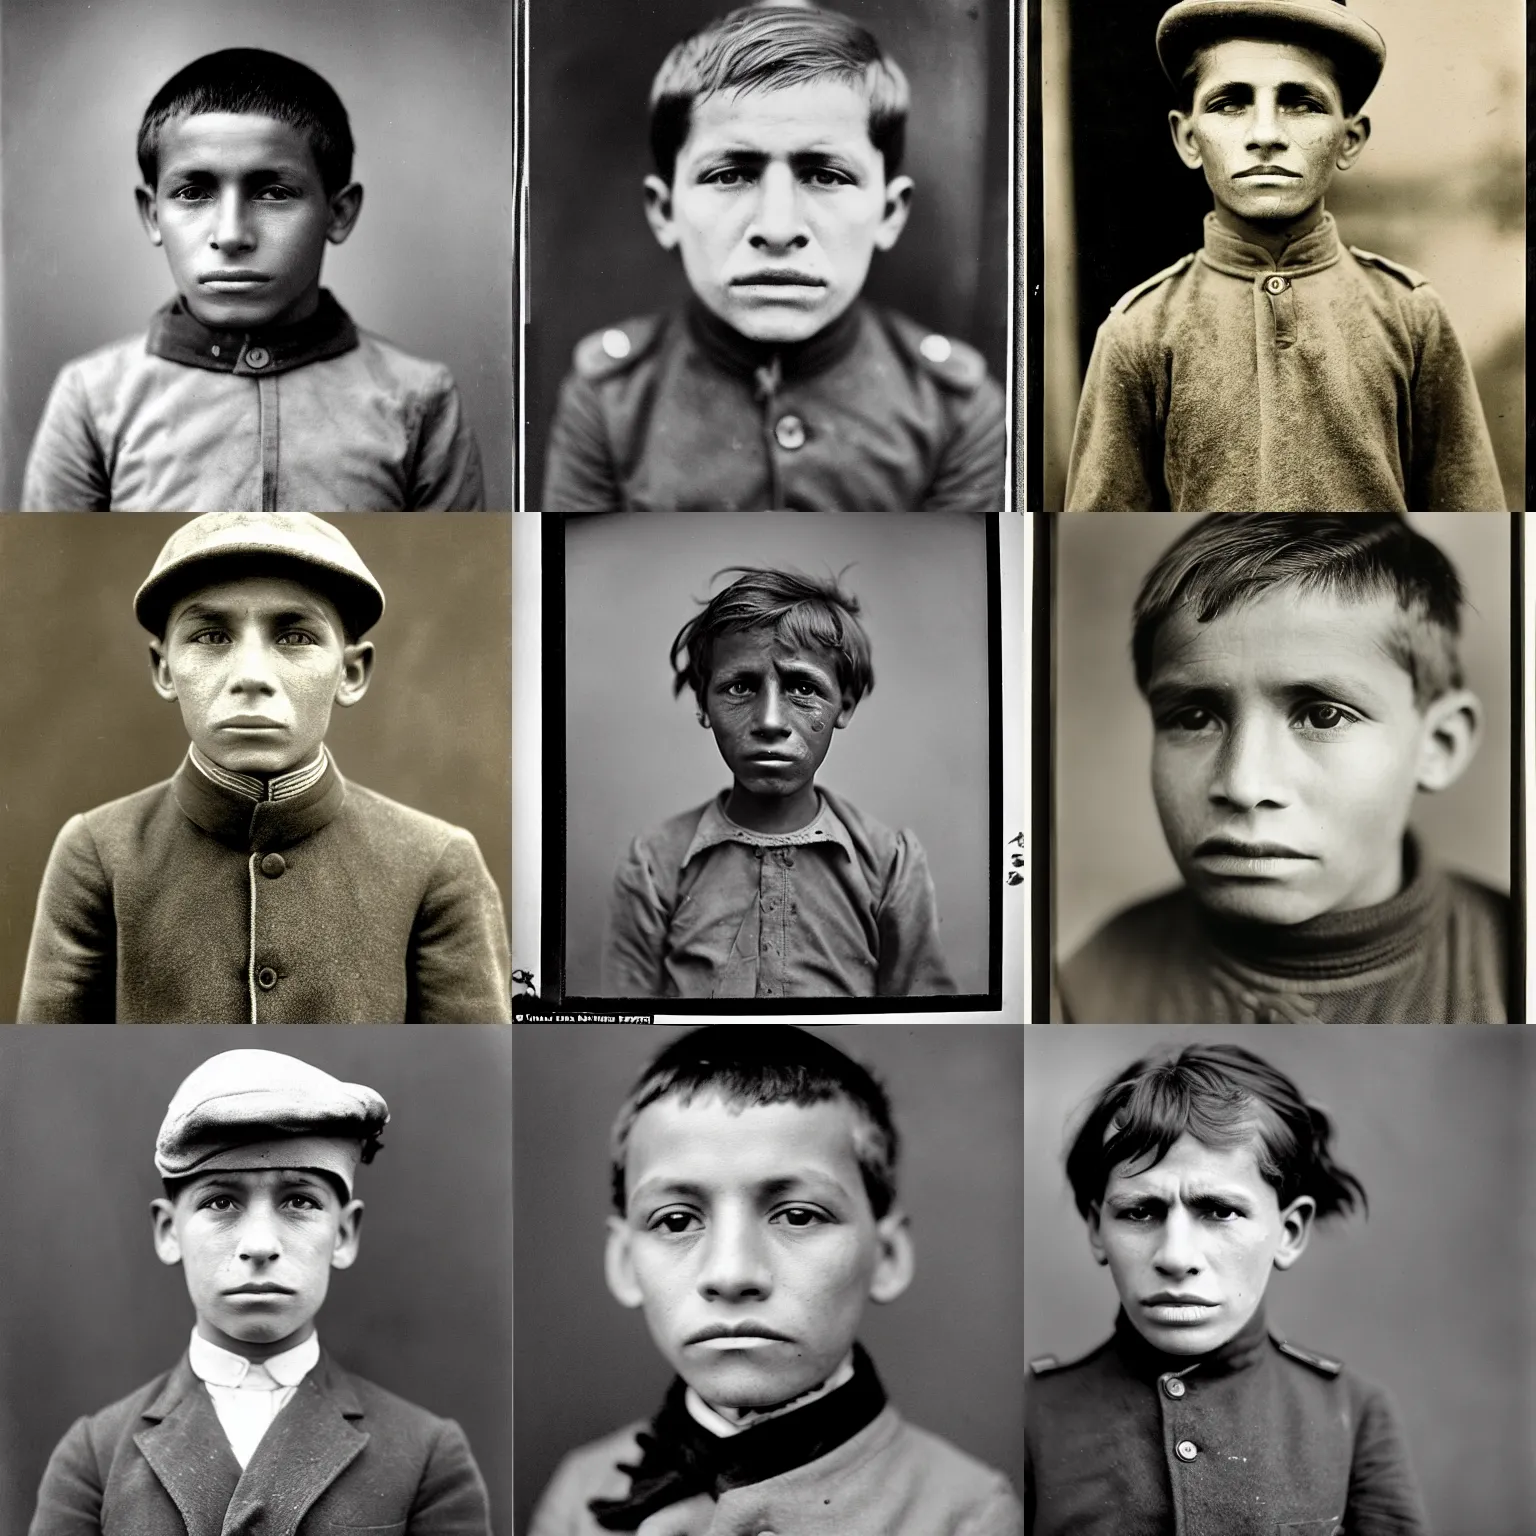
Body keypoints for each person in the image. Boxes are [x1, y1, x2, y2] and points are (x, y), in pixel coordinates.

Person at [18, 512, 511, 1023]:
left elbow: (471, 1072)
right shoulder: (98, 852)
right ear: (164, 668)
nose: (251, 677)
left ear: (352, 672)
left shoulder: (436, 862)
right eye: (211, 636)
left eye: (295, 637)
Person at [529, 1025, 1023, 1535]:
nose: (731, 1274)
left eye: (800, 1216)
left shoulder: (969, 1513)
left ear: (888, 1255)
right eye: (676, 1221)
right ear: (626, 1263)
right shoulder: (581, 1492)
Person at [541, 4, 1005, 512]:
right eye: (729, 175)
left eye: (826, 175)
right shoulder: (608, 401)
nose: (778, 229)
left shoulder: (957, 411)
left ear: (890, 212)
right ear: (664, 209)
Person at [1058, 513, 1509, 1023]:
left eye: (1323, 715)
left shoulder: (1515, 969)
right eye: (1195, 717)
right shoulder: (1087, 985)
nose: (1244, 785)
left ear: (1440, 745)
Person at [27, 1048, 492, 1536]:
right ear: (169, 1231)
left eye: (299, 1201)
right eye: (221, 1201)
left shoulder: (426, 1454)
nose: (260, 1245)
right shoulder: (94, 1458)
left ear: (344, 1234)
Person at [1064, 0, 1504, 511]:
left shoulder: (1411, 315)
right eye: (1230, 103)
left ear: (1350, 138)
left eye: (1302, 103)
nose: (1266, 135)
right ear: (1188, 139)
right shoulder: (1139, 330)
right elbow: (1098, 560)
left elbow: (1476, 538)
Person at [22, 47, 483, 511]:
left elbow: (456, 581)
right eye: (192, 192)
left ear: (338, 213)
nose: (231, 235)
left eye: (274, 192)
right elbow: (51, 583)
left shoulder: (419, 400)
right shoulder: (92, 398)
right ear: (153, 215)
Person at [1025, 1042, 1429, 1535]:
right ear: (1096, 1229)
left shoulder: (1354, 1415)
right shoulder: (1033, 1417)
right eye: (1139, 1211)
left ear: (1289, 1231)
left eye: (1220, 1211)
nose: (1176, 1257)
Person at [603, 566, 956, 999]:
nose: (770, 722)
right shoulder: (654, 864)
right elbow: (630, 1010)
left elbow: (925, 1011)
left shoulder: (889, 863)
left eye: (803, 687)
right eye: (739, 687)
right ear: (703, 705)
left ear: (842, 707)